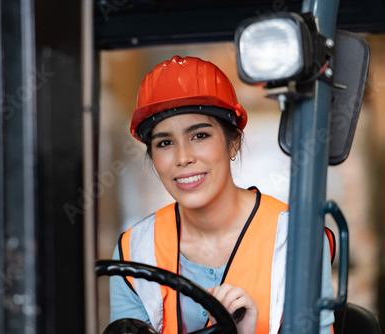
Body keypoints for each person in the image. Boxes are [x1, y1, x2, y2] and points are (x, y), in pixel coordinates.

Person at [109, 56, 335, 334]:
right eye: (165, 142)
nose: (183, 157)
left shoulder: (296, 239)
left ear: (233, 142)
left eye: (200, 135)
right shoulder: (134, 252)